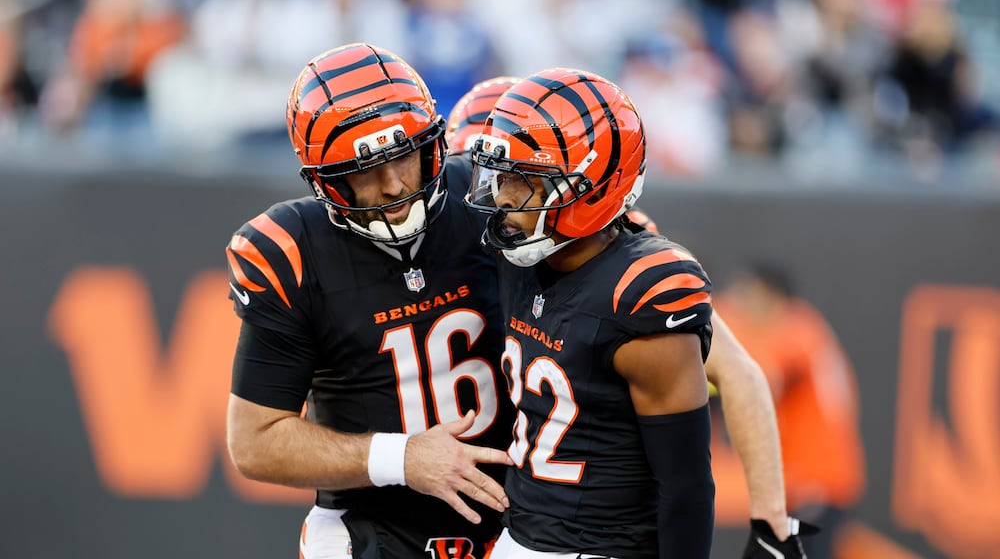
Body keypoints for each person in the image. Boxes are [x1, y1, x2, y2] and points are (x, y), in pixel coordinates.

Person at [464, 67, 816, 559]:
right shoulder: (520, 248)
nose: (500, 198)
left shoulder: (641, 287)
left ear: (586, 192)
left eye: (523, 181)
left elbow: (695, 465)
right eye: (499, 176)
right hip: (518, 529)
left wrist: (773, 521)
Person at [224, 43, 516, 559]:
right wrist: (402, 457)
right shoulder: (294, 250)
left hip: (522, 520)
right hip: (373, 524)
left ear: (434, 141)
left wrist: (711, 343)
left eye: (403, 154)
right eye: (365, 170)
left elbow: (620, 258)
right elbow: (255, 442)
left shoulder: (489, 195)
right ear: (324, 179)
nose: (393, 184)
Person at [716, 262, 865, 559]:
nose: (743, 306)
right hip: (800, 481)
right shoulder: (793, 327)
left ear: (770, 295)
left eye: (748, 296)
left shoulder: (798, 329)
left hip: (818, 481)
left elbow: (767, 379)